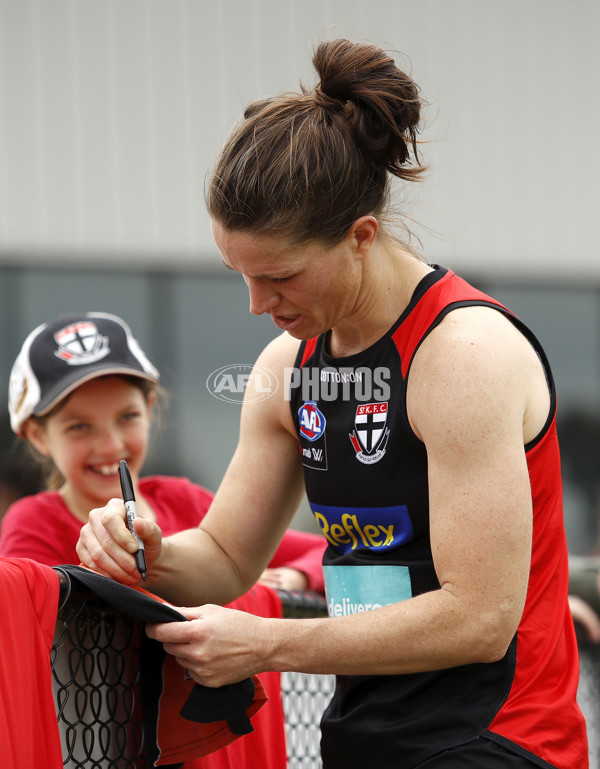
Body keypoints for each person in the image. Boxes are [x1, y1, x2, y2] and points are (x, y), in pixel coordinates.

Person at [76, 39, 588, 769]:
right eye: (239, 275)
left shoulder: (463, 354)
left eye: (280, 277)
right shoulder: (289, 366)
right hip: (368, 735)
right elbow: (223, 556)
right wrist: (145, 551)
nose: (257, 305)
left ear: (361, 237)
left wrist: (268, 643)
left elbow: (481, 619)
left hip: (499, 740)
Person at [1, 311, 326, 769]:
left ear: (152, 410)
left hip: (206, 740)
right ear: (37, 435)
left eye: (127, 416)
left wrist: (288, 577)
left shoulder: (184, 501)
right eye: (79, 426)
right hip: (92, 746)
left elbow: (326, 548)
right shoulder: (33, 520)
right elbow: (27, 639)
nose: (110, 443)